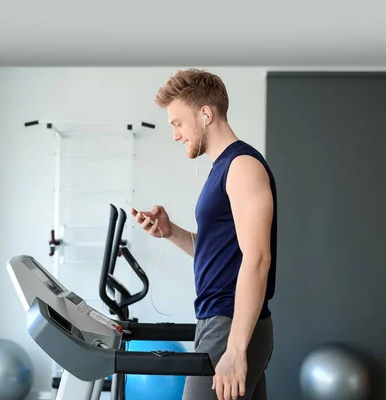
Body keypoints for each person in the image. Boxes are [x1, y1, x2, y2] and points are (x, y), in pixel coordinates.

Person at [130, 69, 277, 400]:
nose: (175, 135)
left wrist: (236, 348)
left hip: (230, 323)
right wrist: (170, 233)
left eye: (177, 123)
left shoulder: (242, 166)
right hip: (221, 321)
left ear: (206, 114)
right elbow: (223, 253)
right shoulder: (223, 169)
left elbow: (257, 259)